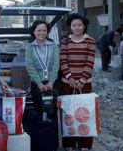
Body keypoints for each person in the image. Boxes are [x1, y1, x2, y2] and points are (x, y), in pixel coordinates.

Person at [60, 13, 95, 151]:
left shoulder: (90, 41)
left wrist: (82, 80)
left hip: (85, 83)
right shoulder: (65, 42)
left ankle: (84, 144)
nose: (76, 28)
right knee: (68, 113)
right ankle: (69, 143)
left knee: (84, 113)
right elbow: (63, 61)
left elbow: (90, 62)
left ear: (84, 26)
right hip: (67, 83)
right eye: (74, 25)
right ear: (70, 27)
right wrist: (70, 78)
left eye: (79, 25)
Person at [25, 20, 60, 117]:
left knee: (53, 112)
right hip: (37, 84)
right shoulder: (29, 47)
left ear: (47, 32)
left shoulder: (53, 46)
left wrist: (51, 82)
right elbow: (30, 66)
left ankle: (53, 131)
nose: (41, 33)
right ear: (34, 31)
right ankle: (41, 131)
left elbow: (56, 65)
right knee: (39, 111)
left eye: (44, 30)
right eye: (39, 30)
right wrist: (39, 84)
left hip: (53, 83)